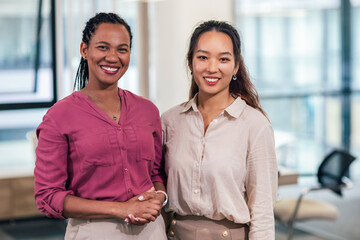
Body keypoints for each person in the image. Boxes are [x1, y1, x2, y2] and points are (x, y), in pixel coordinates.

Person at [34, 12, 167, 240]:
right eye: (103, 47)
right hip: (93, 231)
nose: (113, 57)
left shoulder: (148, 111)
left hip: (150, 231)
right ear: (84, 50)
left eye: (122, 49)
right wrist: (121, 208)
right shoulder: (59, 116)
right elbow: (48, 196)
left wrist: (160, 197)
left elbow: (156, 172)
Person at [161, 20, 278, 239]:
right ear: (190, 63)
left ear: (235, 67)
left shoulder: (254, 125)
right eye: (203, 57)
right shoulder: (170, 121)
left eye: (223, 59)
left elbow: (262, 211)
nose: (212, 68)